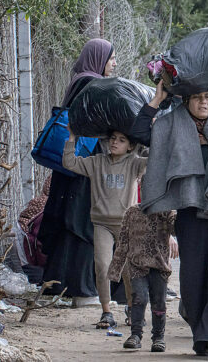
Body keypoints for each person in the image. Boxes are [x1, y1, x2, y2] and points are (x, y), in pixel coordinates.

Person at [131, 84, 208, 361]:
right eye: (196, 97)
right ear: (185, 100)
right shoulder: (171, 125)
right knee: (194, 280)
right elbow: (138, 134)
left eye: (207, 97)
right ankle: (202, 338)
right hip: (192, 213)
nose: (203, 102)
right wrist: (158, 99)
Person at [38, 38, 117, 306]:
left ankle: (61, 286)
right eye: (111, 58)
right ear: (99, 59)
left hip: (72, 163)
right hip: (84, 165)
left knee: (70, 221)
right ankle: (82, 291)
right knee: (83, 222)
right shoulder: (91, 83)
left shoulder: (79, 80)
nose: (114, 63)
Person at [62, 129, 147, 328]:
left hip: (127, 224)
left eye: (122, 140)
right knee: (102, 266)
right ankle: (106, 312)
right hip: (102, 223)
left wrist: (149, 134)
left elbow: (155, 160)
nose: (115, 143)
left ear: (131, 146)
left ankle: (133, 309)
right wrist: (72, 138)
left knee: (128, 270)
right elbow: (69, 163)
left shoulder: (134, 163)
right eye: (113, 139)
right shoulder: (97, 162)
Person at [108, 205, 177, 351]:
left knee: (159, 302)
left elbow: (178, 229)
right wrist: (115, 269)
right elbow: (123, 241)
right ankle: (136, 335)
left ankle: (158, 337)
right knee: (139, 298)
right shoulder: (132, 212)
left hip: (160, 266)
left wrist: (169, 211)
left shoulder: (166, 211)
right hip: (137, 265)